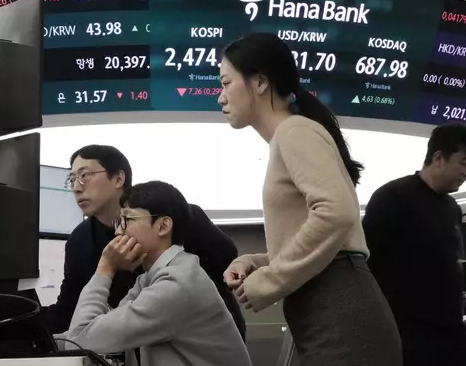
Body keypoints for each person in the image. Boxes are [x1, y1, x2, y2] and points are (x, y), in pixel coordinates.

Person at [217, 33, 401, 366]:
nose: (221, 96)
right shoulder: (289, 136)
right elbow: (324, 231)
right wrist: (259, 263)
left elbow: (336, 214)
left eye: (226, 83)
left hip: (339, 309)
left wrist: (271, 281)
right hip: (330, 309)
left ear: (260, 81)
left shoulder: (294, 132)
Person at [43, 145, 245, 340]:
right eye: (72, 179)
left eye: (84, 176)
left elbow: (226, 261)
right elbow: (70, 308)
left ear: (118, 178)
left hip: (200, 342)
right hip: (131, 342)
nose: (76, 188)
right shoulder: (80, 240)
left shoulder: (178, 217)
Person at [67, 181, 252, 366]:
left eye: (127, 220)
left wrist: (105, 267)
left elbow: (82, 340)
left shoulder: (177, 285)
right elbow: (100, 328)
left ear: (163, 226)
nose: (118, 231)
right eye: (118, 221)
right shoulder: (151, 278)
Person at [363, 122, 466, 366]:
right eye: (463, 162)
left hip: (451, 328)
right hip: (409, 333)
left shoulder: (452, 208)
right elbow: (363, 261)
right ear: (438, 157)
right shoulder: (392, 197)